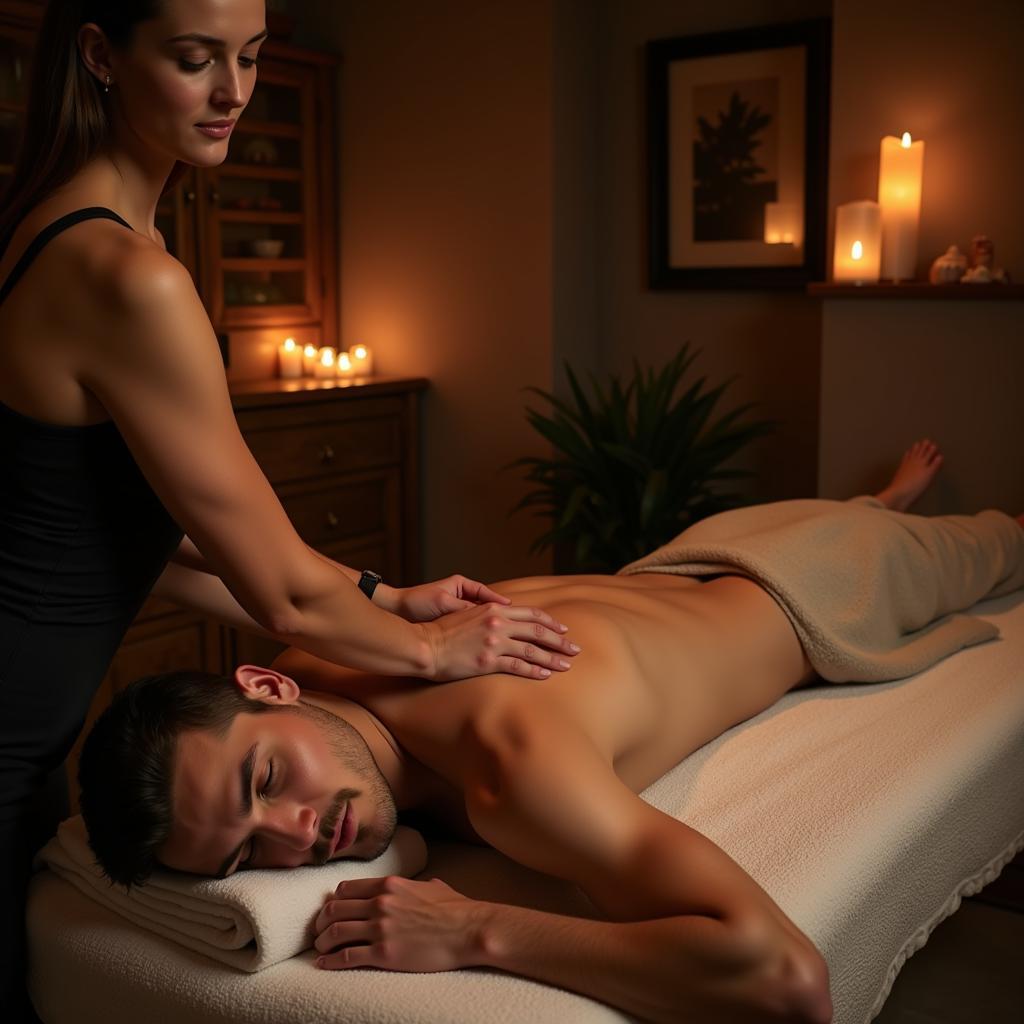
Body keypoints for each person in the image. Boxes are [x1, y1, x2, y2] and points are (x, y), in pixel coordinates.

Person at [0, 1, 578, 1016]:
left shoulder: (40, 228)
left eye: (253, 58)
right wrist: (438, 647)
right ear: (100, 55)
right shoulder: (123, 275)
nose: (233, 93)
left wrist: (385, 594)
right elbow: (284, 597)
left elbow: (120, 534)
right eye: (194, 60)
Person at [77, 443, 1024, 1024]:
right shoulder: (322, 645)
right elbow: (150, 539)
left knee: (1003, 539)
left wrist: (478, 930)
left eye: (263, 780)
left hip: (820, 585)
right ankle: (878, 503)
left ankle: (882, 515)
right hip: (691, 559)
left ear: (268, 687)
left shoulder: (515, 769)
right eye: (244, 853)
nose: (293, 833)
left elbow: (787, 983)